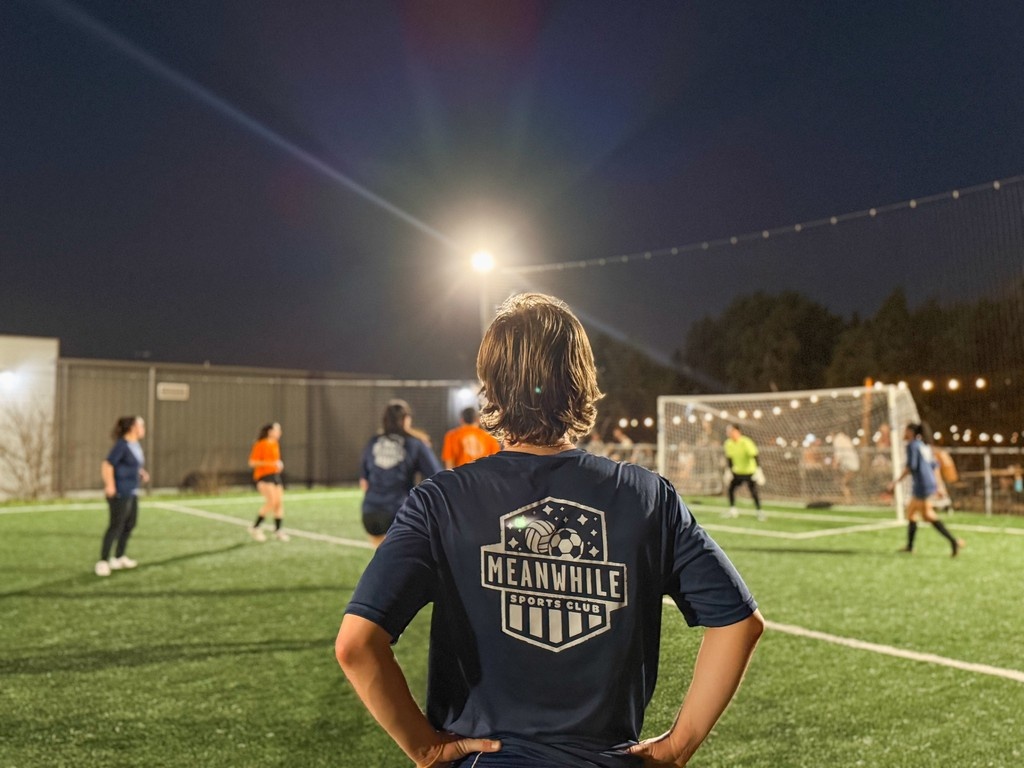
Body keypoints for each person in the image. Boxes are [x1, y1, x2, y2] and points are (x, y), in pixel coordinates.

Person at [336, 293, 764, 768]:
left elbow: (357, 645)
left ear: (490, 387)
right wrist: (676, 748)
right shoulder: (647, 496)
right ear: (582, 380)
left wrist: (428, 748)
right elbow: (739, 622)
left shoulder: (441, 500)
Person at [359, 399, 443, 547]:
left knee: (380, 555)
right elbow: (437, 476)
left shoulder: (373, 441)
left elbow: (364, 483)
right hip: (399, 512)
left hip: (370, 513)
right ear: (406, 419)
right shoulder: (415, 443)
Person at [887, 423, 965, 557]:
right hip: (928, 483)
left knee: (926, 515)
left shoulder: (912, 446)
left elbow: (911, 467)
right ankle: (910, 546)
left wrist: (895, 482)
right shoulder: (925, 446)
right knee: (912, 513)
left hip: (922, 484)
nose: (903, 433)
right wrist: (938, 486)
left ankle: (954, 541)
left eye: (905, 430)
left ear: (911, 432)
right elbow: (934, 467)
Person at [96, 416, 149, 576]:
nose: (143, 429)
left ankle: (119, 557)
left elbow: (130, 464)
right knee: (115, 526)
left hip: (132, 491)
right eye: (141, 426)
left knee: (130, 524)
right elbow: (107, 464)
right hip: (120, 492)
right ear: (133, 428)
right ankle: (103, 561)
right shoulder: (122, 445)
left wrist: (140, 472)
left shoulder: (135, 445)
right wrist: (110, 485)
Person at [248, 422, 289, 542]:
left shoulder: (275, 443)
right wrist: (270, 464)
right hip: (264, 476)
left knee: (279, 503)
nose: (279, 432)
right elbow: (252, 462)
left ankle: (278, 530)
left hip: (275, 475)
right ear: (270, 431)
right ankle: (256, 527)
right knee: (271, 502)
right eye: (277, 430)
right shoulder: (260, 444)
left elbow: (275, 461)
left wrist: (278, 465)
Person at [723, 423, 764, 520]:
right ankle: (733, 510)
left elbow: (754, 455)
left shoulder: (746, 442)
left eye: (731, 431)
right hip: (737, 471)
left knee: (753, 491)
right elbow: (730, 458)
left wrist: (758, 470)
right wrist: (729, 470)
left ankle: (759, 511)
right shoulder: (728, 443)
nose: (729, 433)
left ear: (737, 431)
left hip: (749, 471)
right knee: (731, 489)